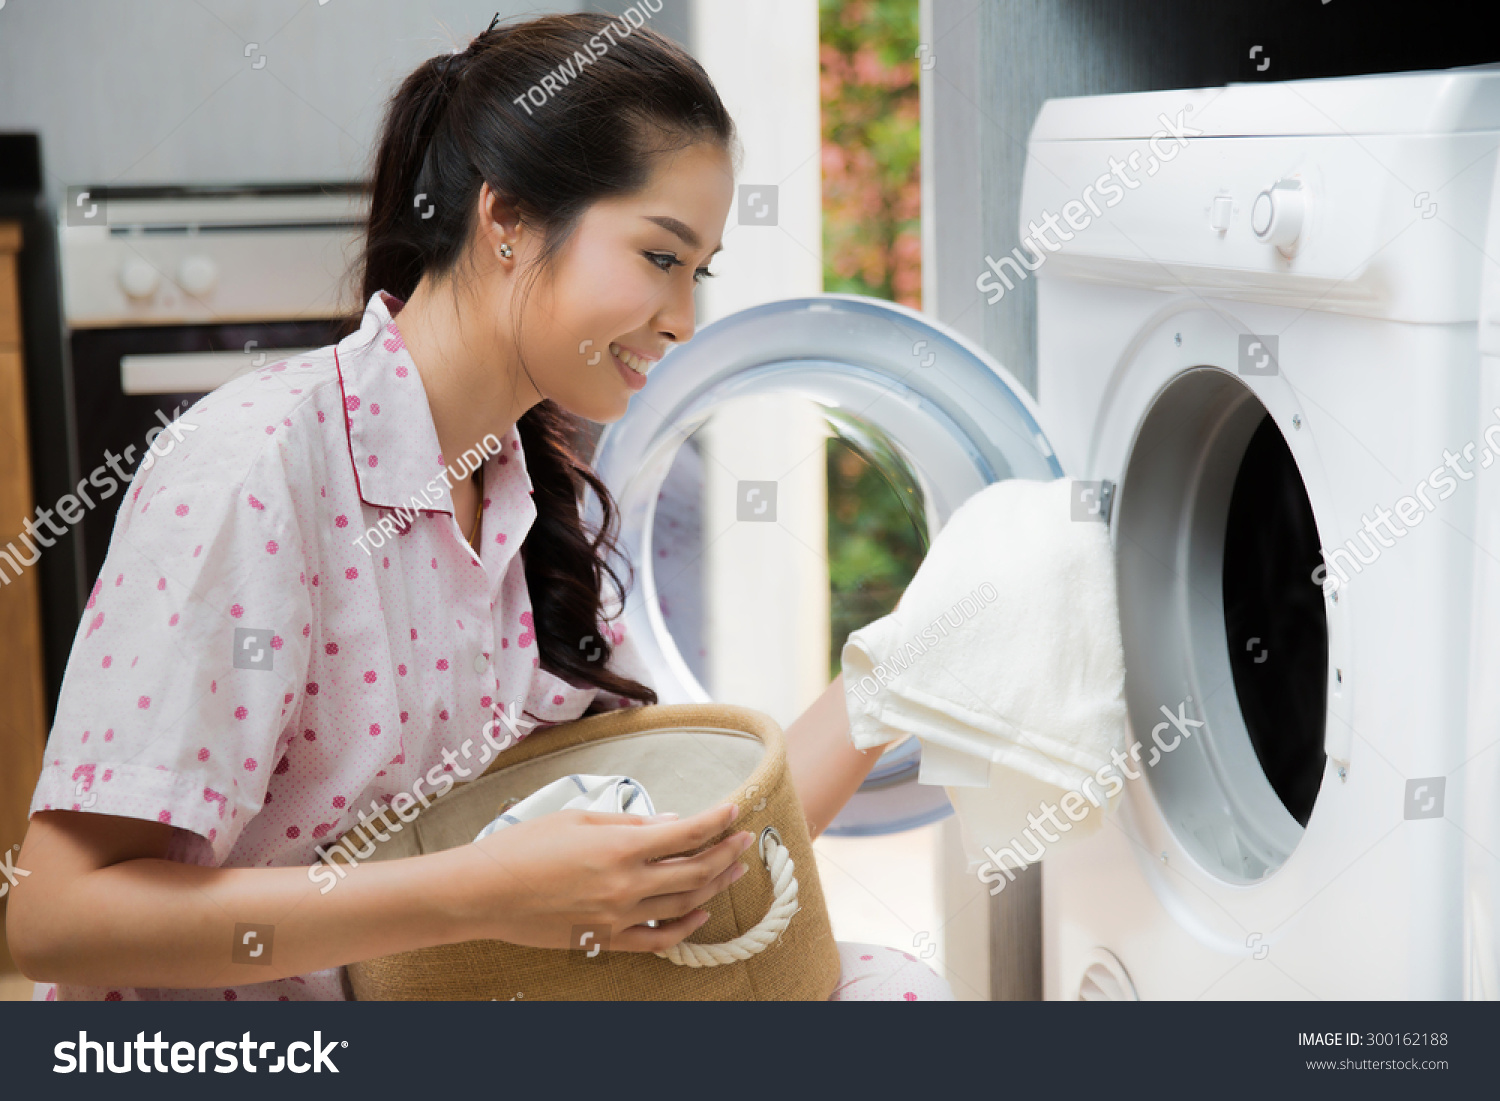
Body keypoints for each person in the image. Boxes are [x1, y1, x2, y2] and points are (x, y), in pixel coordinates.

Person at [7, 12, 952, 1002]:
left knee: (893, 986)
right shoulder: (255, 470)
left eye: (698, 272)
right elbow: (57, 921)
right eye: (660, 257)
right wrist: (478, 896)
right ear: (507, 221)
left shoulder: (531, 504)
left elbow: (681, 842)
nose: (681, 319)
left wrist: (895, 673)